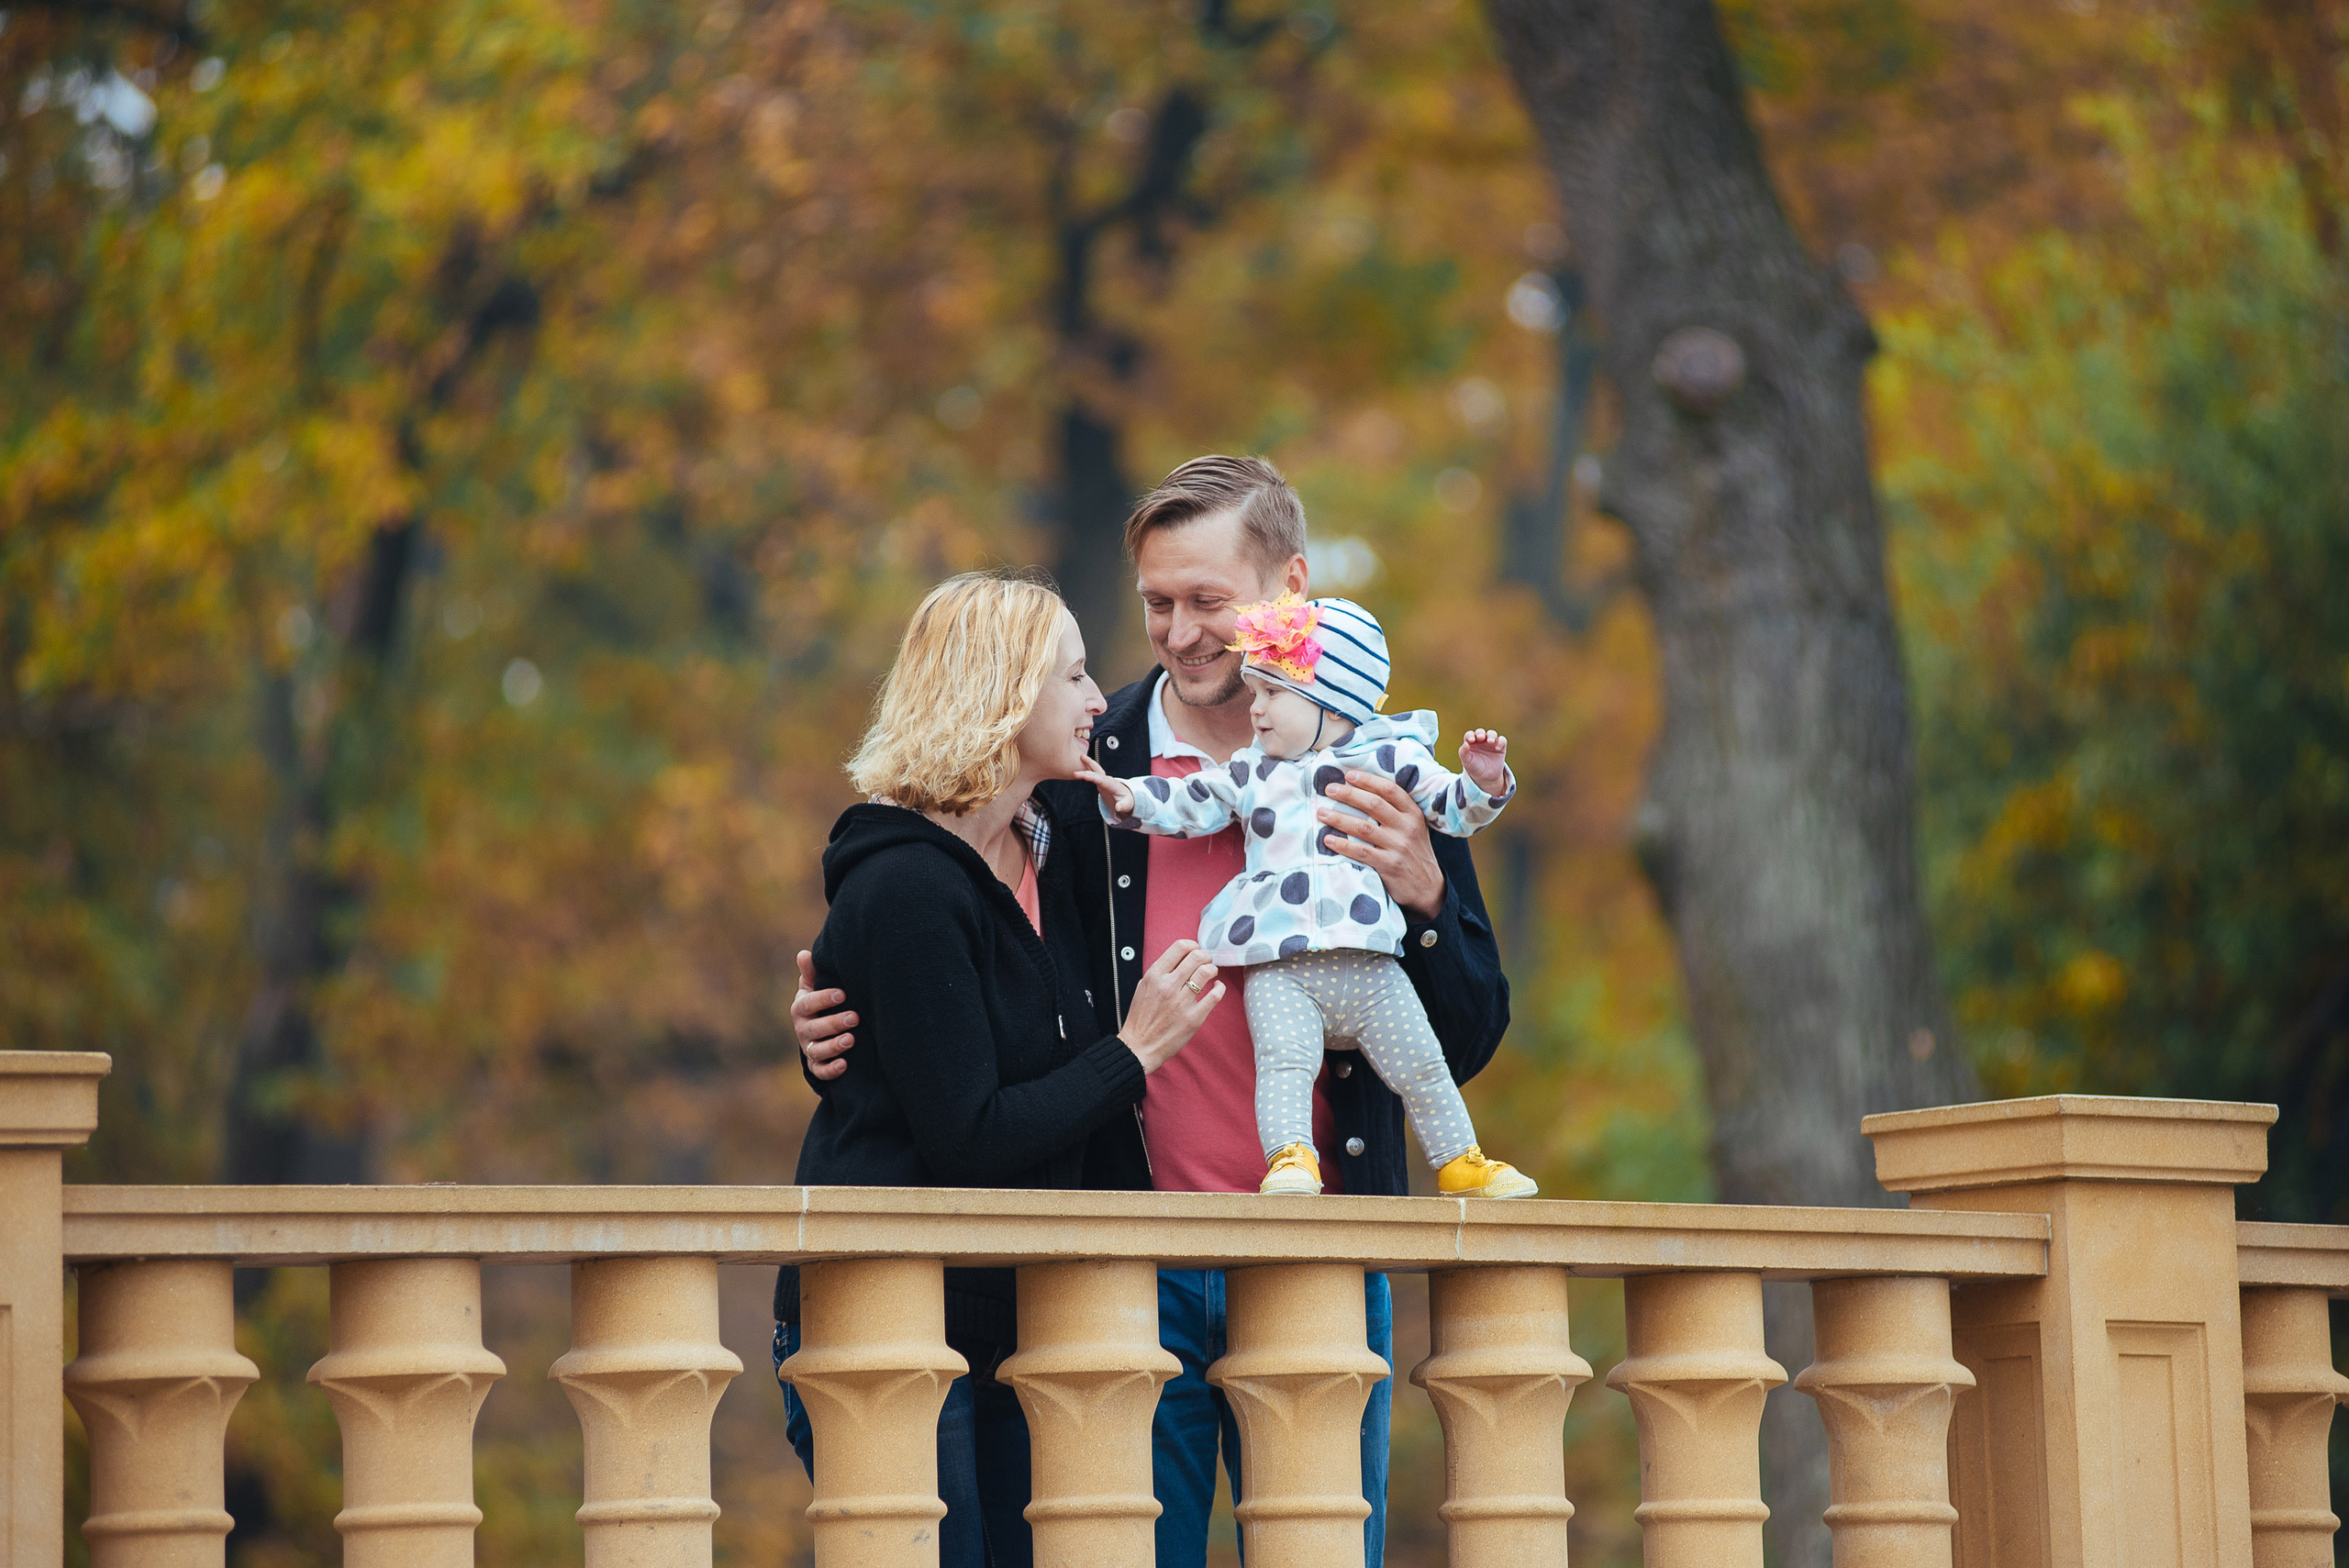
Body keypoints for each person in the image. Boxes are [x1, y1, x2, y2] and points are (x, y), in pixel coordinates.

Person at [792, 456, 1512, 1568]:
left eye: (1208, 603)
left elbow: (1462, 1039)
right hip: (1126, 1258)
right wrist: (839, 1036)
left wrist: (1424, 896)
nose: (1178, 633)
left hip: (1318, 1254)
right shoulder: (1092, 763)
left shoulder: (1385, 762)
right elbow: (976, 973)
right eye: (1156, 604)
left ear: (1292, 587)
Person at [774, 569, 1225, 1568]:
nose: (1097, 700)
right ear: (1002, 692)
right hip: (891, 1324)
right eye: (1071, 676)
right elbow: (967, 1137)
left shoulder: (1045, 852)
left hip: (1026, 1322)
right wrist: (1135, 1049)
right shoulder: (905, 886)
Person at [1081, 591, 1536, 1200]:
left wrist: (1483, 781)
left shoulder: (1393, 759)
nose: (1257, 711)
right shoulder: (1252, 770)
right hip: (1281, 967)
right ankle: (1291, 1158)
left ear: (1334, 700)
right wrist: (1131, 798)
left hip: (1371, 966)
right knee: (1285, 1064)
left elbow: (1454, 812)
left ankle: (1461, 1160)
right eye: (1255, 691)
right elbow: (1193, 799)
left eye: (1274, 694)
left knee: (1422, 1065)